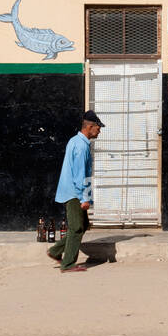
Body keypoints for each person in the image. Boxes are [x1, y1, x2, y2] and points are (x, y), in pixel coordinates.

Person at [46, 110, 103, 273]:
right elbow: (79, 175)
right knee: (77, 227)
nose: (99, 131)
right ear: (90, 126)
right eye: (98, 128)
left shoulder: (76, 141)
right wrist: (84, 198)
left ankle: (56, 251)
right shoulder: (81, 147)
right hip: (74, 193)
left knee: (83, 225)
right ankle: (68, 263)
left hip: (72, 191)